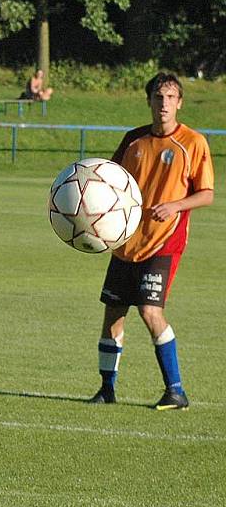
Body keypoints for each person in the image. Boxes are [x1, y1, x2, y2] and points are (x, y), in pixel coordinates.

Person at [89, 72, 214, 409]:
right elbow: (109, 182)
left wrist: (175, 205)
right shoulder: (133, 140)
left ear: (179, 103)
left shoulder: (193, 142)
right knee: (113, 314)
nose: (164, 104)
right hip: (126, 241)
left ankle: (176, 391)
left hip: (164, 243)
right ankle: (107, 390)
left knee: (149, 311)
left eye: (171, 98)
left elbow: (206, 195)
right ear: (149, 101)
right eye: (158, 97)